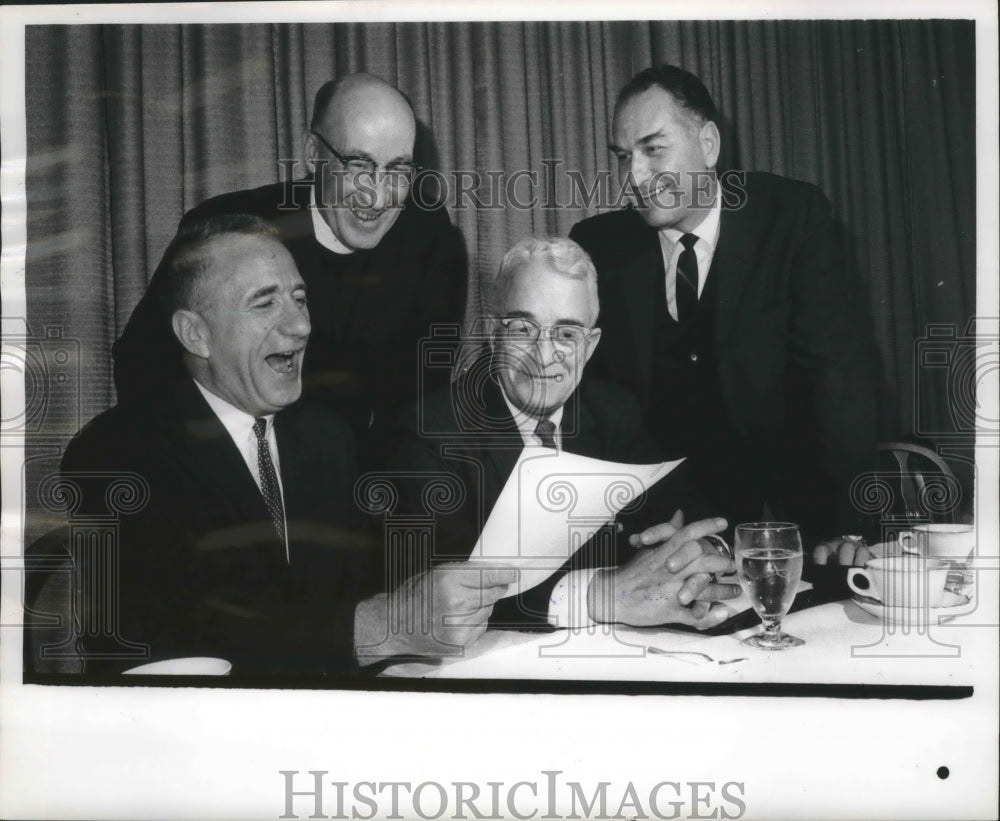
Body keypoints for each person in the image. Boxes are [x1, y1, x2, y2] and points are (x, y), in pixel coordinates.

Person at [61, 215, 509, 678]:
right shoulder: (115, 453)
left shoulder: (326, 435)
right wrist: (377, 628)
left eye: (300, 299)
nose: (299, 327)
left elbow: (369, 577)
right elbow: (165, 636)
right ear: (196, 334)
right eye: (264, 304)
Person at [569, 64, 880, 546]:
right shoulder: (598, 245)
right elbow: (593, 406)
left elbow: (838, 377)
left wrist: (847, 525)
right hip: (661, 529)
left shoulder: (792, 217)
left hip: (795, 519)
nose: (636, 175)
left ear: (709, 145)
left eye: (653, 149)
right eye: (623, 156)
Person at [377, 236, 740, 631]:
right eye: (522, 328)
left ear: (590, 345)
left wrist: (699, 551)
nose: (544, 354)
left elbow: (684, 506)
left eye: (567, 333)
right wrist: (599, 594)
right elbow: (437, 594)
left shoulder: (613, 410)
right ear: (492, 332)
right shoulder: (428, 431)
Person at [113, 72, 467, 441]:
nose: (377, 198)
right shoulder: (226, 231)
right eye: (359, 166)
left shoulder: (430, 244)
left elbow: (418, 407)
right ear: (313, 154)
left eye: (397, 170)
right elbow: (142, 365)